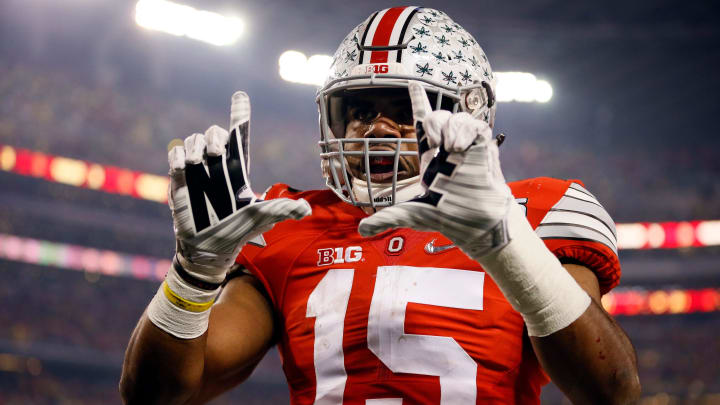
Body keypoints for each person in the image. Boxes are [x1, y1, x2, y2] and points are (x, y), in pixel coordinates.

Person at [120, 6, 641, 405]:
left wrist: (508, 246)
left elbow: (611, 392)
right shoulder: (292, 222)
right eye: (361, 110)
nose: (376, 128)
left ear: (468, 114)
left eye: (405, 109)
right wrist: (192, 276)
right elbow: (157, 395)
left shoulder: (537, 211)